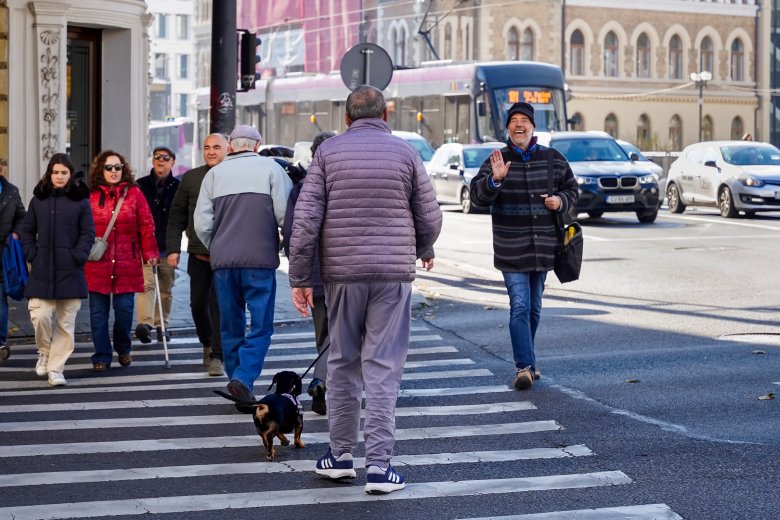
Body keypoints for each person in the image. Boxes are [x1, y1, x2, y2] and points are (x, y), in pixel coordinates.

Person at [289, 85, 442, 494]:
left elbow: (305, 222)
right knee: (383, 366)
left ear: (346, 118)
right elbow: (430, 216)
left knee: (342, 362)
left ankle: (339, 456)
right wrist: (423, 247)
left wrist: (301, 277)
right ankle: (379, 466)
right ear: (386, 115)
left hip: (342, 275)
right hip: (391, 276)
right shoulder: (407, 153)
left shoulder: (328, 153)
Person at [469, 102, 578, 390]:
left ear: (532, 127)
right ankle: (524, 367)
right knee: (519, 305)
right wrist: (495, 180)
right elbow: (477, 197)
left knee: (534, 309)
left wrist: (560, 202)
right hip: (511, 249)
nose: (519, 125)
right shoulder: (497, 158)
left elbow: (572, 191)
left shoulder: (552, 158)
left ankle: (528, 360)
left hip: (543, 250)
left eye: (524, 121)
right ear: (507, 128)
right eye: (513, 121)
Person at [193, 125, 292, 411]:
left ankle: (239, 385)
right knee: (261, 325)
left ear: (232, 146)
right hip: (259, 260)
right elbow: (285, 215)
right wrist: (285, 245)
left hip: (224, 262)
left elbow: (202, 223)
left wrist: (217, 246)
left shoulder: (214, 174)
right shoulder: (272, 170)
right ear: (257, 144)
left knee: (231, 323)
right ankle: (244, 378)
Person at [19, 153, 95, 386]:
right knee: (39, 315)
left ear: (70, 174)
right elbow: (26, 230)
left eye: (64, 172)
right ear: (49, 173)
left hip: (70, 269)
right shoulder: (38, 200)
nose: (60, 176)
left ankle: (56, 368)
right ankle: (44, 351)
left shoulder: (80, 201)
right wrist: (32, 254)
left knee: (65, 323)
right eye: (55, 172)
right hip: (42, 268)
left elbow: (87, 233)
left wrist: (78, 256)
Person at [86, 150, 159, 371]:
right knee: (98, 315)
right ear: (101, 170)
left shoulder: (134, 194)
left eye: (117, 167)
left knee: (124, 312)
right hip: (98, 263)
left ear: (123, 169)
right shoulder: (90, 195)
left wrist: (151, 253)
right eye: (109, 168)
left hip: (127, 262)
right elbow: (83, 228)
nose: (113, 172)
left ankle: (123, 348)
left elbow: (146, 226)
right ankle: (101, 355)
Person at [281, 131, 335, 415]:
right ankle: (323, 381)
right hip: (342, 271)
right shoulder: (341, 184)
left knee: (324, 333)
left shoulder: (301, 188)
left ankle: (322, 381)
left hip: (314, 274)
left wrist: (298, 273)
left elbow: (291, 233)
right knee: (343, 335)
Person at [166, 134, 228, 376]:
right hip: (198, 256)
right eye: (206, 148)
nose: (211, 151)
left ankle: (217, 355)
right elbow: (176, 215)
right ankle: (207, 342)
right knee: (197, 304)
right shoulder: (191, 178)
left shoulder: (234, 175)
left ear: (227, 149)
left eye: (216, 147)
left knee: (220, 306)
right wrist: (172, 248)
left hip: (227, 257)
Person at [135, 146, 180, 344]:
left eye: (165, 158)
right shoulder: (141, 185)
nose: (160, 161)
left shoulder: (178, 187)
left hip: (168, 246)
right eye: (156, 157)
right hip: (145, 245)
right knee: (146, 285)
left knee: (165, 288)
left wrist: (176, 248)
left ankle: (162, 325)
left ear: (172, 162)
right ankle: (145, 325)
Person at [0, 165, 27, 363]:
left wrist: (16, 233)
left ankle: (0, 342)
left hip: (3, 252)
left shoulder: (11, 191)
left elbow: (22, 217)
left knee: (0, 300)